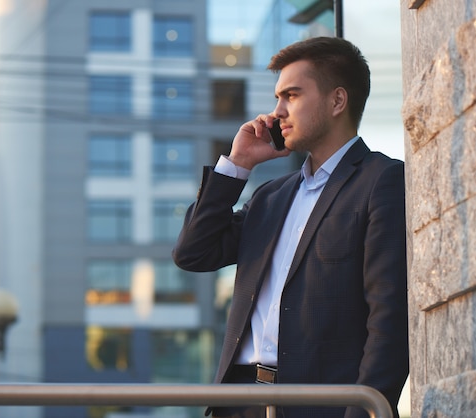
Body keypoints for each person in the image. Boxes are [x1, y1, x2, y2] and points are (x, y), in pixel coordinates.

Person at [172, 36, 408, 418]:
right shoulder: (271, 196)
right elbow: (193, 252)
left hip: (319, 406)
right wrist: (237, 164)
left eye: (292, 95)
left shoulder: (382, 181)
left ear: (337, 101)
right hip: (240, 403)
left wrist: (366, 411)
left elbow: (389, 320)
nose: (277, 111)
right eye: (278, 97)